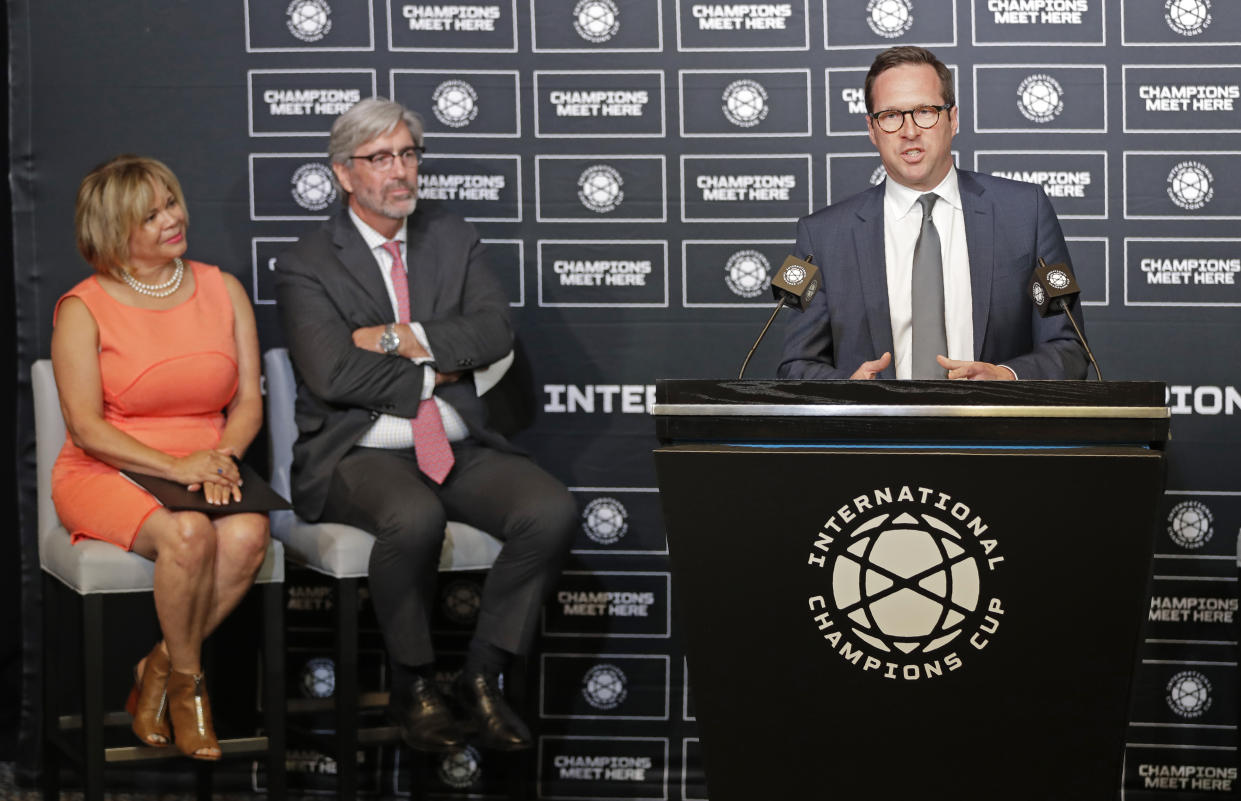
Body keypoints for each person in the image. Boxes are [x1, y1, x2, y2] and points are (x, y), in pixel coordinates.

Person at [275, 97, 576, 753]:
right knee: (413, 517)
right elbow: (331, 374)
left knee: (549, 509)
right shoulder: (306, 263)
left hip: (455, 443)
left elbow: (494, 332)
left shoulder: (452, 236)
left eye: (408, 154)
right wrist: (434, 366)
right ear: (343, 173)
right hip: (358, 454)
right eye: (380, 158)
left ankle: (483, 675)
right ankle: (414, 684)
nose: (400, 171)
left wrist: (394, 338)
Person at [51, 156, 270, 760]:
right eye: (150, 216)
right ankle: (190, 691)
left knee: (251, 533)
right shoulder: (83, 307)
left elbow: (249, 400)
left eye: (171, 202)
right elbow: (86, 428)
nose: (173, 219)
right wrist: (179, 468)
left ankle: (157, 667)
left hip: (207, 458)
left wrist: (220, 458)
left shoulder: (222, 288)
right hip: (109, 466)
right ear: (115, 234)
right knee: (189, 535)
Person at [779, 46, 1088, 381]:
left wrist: (1006, 377)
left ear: (953, 119)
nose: (909, 131)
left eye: (925, 111)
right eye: (891, 115)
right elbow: (796, 366)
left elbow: (1069, 348)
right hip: (878, 432)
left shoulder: (1025, 213)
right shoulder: (823, 237)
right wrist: (848, 393)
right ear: (871, 129)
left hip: (992, 428)